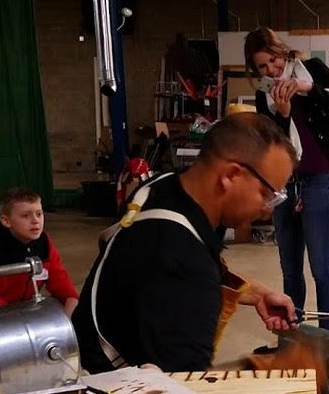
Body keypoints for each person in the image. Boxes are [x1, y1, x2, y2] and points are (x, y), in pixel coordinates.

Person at [71, 112, 298, 374]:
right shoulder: (184, 267)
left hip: (85, 352)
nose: (268, 210)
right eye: (267, 194)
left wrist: (256, 292)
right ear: (231, 175)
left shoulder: (162, 187)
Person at [245, 27, 329, 331]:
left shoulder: (314, 71)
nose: (272, 70)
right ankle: (296, 337)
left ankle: (325, 341)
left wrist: (309, 89)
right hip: (285, 185)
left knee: (321, 268)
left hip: (321, 181)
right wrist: (282, 113)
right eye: (263, 67)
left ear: (282, 51)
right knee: (290, 272)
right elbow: (270, 144)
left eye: (273, 61)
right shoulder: (264, 94)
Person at [0, 187, 78, 315]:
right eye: (25, 216)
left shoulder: (44, 242)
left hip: (24, 315)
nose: (35, 221)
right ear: (6, 221)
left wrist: (69, 315)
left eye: (39, 214)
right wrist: (23, 324)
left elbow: (62, 284)